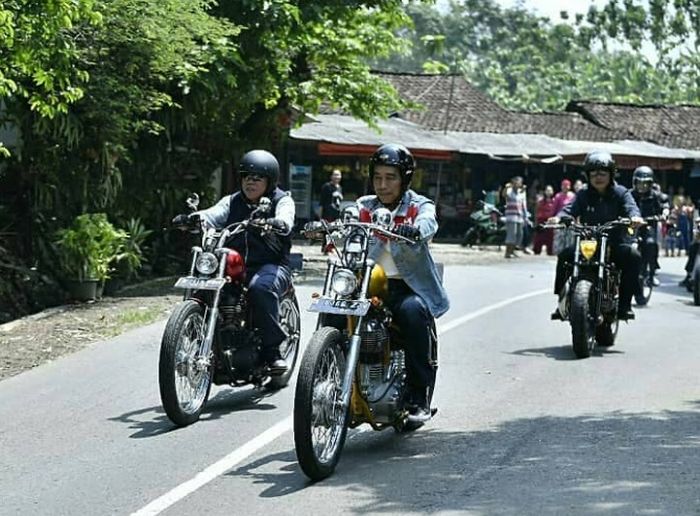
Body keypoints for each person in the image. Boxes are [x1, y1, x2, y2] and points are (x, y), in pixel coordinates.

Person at [357, 143, 449, 424]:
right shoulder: (364, 206)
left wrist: (415, 229)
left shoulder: (418, 205)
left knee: (412, 314)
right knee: (333, 313)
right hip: (366, 286)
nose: (382, 185)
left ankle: (419, 395)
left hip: (406, 288)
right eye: (378, 177)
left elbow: (428, 222)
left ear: (405, 179)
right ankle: (323, 375)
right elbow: (347, 222)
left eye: (390, 177)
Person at [184, 150, 295, 374]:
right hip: (232, 264)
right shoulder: (232, 201)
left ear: (269, 181)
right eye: (246, 176)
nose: (250, 182)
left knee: (259, 289)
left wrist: (276, 222)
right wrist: (193, 219)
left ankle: (271, 351)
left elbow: (286, 219)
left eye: (257, 178)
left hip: (271, 265)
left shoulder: (282, 200)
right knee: (204, 282)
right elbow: (212, 214)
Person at [548, 151, 643, 321]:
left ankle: (625, 305)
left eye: (602, 173)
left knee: (633, 256)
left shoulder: (621, 193)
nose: (598, 177)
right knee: (564, 256)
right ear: (588, 175)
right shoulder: (583, 194)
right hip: (587, 242)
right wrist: (559, 217)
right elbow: (570, 209)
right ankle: (562, 302)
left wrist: (634, 217)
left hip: (613, 244)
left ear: (611, 174)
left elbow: (631, 207)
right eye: (593, 173)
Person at [631, 166, 669, 287]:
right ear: (634, 182)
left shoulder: (656, 196)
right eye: (639, 183)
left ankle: (652, 274)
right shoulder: (629, 195)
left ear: (650, 184)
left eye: (645, 183)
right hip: (631, 226)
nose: (642, 186)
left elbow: (665, 205)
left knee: (650, 243)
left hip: (648, 226)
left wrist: (664, 214)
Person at [503, 176, 530, 258]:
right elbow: (504, 195)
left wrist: (526, 217)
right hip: (511, 216)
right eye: (515, 182)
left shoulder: (521, 192)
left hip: (519, 217)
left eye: (519, 182)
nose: (517, 184)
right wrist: (506, 188)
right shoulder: (509, 191)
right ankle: (508, 252)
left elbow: (524, 205)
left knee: (519, 235)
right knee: (511, 235)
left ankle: (513, 251)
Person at [552, 179, 576, 255]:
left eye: (567, 186)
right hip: (559, 221)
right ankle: (559, 253)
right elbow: (554, 209)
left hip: (570, 221)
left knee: (569, 240)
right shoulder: (558, 196)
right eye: (564, 186)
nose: (565, 187)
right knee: (559, 239)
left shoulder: (573, 196)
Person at [533, 185, 556, 255]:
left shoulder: (554, 201)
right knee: (539, 237)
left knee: (550, 237)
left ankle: (550, 251)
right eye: (547, 190)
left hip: (550, 221)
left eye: (550, 190)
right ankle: (537, 250)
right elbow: (537, 211)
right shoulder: (541, 201)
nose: (548, 192)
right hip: (541, 220)